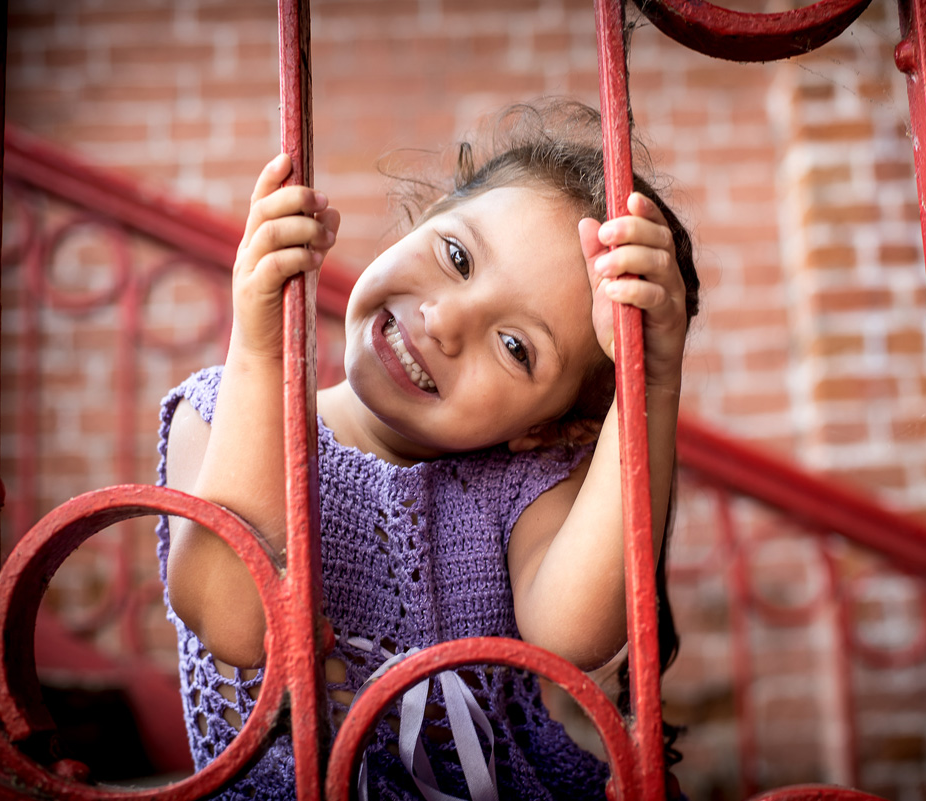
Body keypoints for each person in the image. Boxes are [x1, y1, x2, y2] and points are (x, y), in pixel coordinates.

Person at [156, 101, 700, 800]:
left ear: (549, 428)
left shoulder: (521, 482)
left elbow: (576, 632)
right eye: (458, 256)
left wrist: (649, 378)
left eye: (515, 347)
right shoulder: (217, 412)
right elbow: (239, 619)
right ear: (428, 214)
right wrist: (261, 347)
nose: (443, 320)